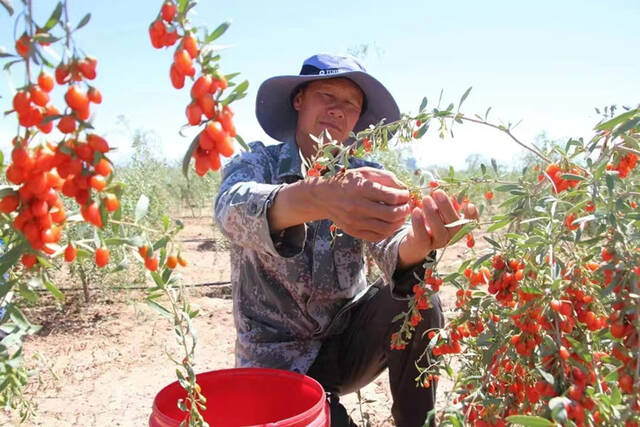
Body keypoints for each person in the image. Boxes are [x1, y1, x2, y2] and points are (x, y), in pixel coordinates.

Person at [214, 53, 477, 427]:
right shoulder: (259, 164)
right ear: (298, 100)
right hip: (276, 363)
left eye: (350, 103)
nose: (338, 110)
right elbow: (230, 208)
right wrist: (317, 196)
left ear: (357, 118)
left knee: (419, 300)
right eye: (327, 95)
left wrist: (421, 240)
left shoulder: (367, 176)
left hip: (345, 345)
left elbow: (391, 246)